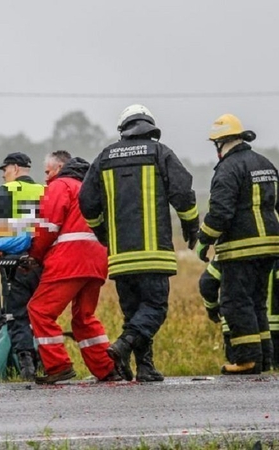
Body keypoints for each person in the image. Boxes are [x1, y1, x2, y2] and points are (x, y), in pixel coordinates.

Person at [80, 104, 199, 382]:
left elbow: (87, 202)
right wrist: (190, 225)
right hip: (154, 254)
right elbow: (183, 193)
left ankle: (145, 368)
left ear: (123, 130)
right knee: (155, 308)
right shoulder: (160, 152)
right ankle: (124, 344)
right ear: (150, 127)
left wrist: (103, 234)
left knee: (134, 311)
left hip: (121, 257)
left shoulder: (104, 157)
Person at [196, 113, 279, 375]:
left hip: (240, 249)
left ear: (220, 143)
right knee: (256, 303)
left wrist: (203, 239)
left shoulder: (228, 168)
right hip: (271, 247)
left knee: (235, 303)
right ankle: (264, 358)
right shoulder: (265, 163)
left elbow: (220, 211)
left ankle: (247, 360)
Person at [26, 152, 119, 384]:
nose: (46, 179)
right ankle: (107, 368)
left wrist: (34, 255)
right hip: (96, 261)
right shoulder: (94, 188)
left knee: (40, 310)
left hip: (69, 261)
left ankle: (58, 366)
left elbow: (48, 227)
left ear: (59, 168)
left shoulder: (61, 186)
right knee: (84, 317)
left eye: (47, 172)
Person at [0, 151, 45, 380]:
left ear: (15, 169)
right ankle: (48, 362)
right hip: (43, 263)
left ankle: (27, 365)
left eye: (5, 170)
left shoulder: (4, 192)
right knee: (44, 314)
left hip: (16, 264)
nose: (3, 176)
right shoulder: (45, 191)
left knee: (18, 314)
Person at [199, 257, 279, 369]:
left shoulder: (230, 253)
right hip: (266, 330)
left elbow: (207, 283)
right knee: (267, 377)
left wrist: (212, 308)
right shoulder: (270, 253)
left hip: (237, 331)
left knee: (243, 379)